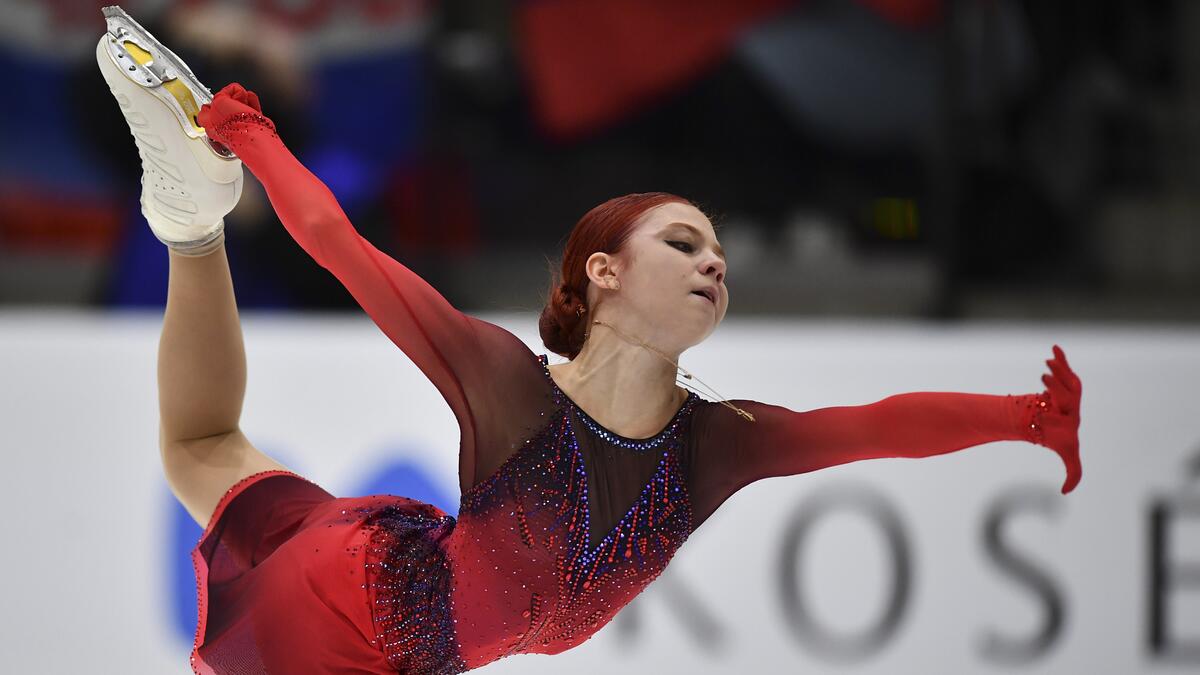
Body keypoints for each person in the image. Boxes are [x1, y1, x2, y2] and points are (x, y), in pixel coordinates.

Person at [97, 19, 1082, 675]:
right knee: (200, 448)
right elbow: (340, 248)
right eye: (683, 243)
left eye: (719, 253)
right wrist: (252, 134)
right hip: (344, 618)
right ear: (604, 273)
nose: (713, 263)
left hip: (391, 596)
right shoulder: (509, 387)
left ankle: (189, 224)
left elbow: (872, 427)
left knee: (200, 447)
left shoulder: (718, 446)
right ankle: (195, 214)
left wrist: (1028, 418)